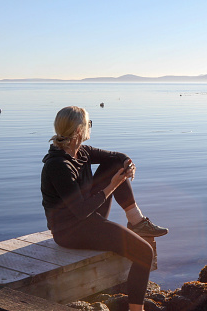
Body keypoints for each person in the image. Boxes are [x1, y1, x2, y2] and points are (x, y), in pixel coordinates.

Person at [41, 106, 168, 311]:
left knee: (114, 164)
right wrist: (113, 186)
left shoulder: (81, 152)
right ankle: (136, 310)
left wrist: (127, 163)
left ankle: (136, 221)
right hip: (69, 231)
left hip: (90, 216)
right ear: (78, 131)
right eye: (88, 124)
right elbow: (80, 211)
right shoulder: (58, 166)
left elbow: (116, 157)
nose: (90, 127)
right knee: (145, 253)